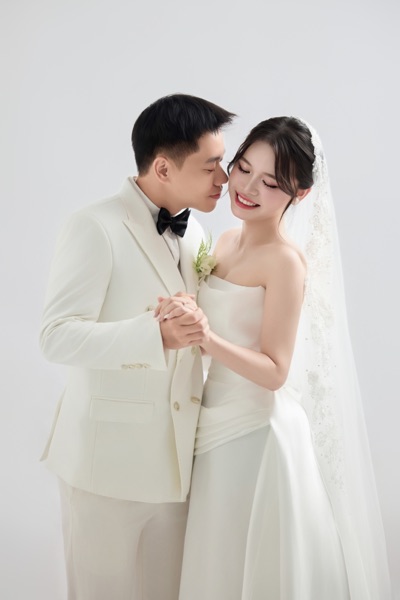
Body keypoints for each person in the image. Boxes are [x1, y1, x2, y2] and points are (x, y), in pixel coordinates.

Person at [155, 117, 392, 599]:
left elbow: (276, 371)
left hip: (255, 433)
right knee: (217, 560)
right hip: (212, 423)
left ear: (300, 194)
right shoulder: (225, 241)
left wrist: (206, 338)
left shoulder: (285, 262)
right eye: (243, 169)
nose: (247, 188)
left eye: (271, 182)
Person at [39, 93, 234, 600]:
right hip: (105, 466)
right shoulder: (94, 226)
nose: (225, 178)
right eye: (211, 165)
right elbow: (56, 336)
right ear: (164, 167)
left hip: (178, 465)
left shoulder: (196, 232)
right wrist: (155, 335)